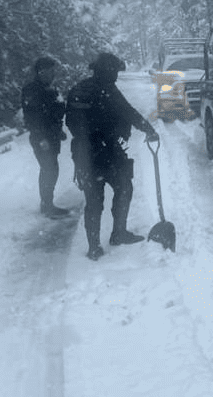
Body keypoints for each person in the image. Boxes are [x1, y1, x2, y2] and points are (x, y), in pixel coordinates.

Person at [65, 52, 159, 261]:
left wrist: (90, 137)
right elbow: (128, 112)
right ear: (106, 71)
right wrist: (148, 130)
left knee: (97, 198)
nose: (116, 76)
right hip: (106, 152)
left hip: (87, 154)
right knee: (121, 189)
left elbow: (71, 122)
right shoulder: (106, 90)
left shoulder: (79, 89)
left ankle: (96, 245)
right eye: (114, 71)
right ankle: (116, 234)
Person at [21, 56, 70, 217]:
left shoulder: (51, 90)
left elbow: (55, 113)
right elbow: (32, 118)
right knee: (49, 169)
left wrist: (59, 130)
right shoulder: (31, 90)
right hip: (41, 139)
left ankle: (47, 203)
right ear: (40, 72)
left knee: (51, 169)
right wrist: (41, 138)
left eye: (52, 70)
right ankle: (47, 204)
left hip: (52, 137)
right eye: (47, 71)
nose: (51, 73)